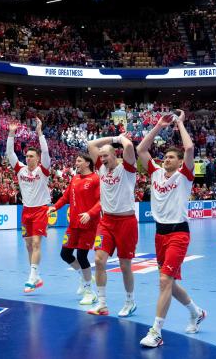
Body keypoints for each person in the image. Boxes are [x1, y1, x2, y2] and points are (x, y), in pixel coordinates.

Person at [136, 111, 207, 347]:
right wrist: (158, 125)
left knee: (165, 281)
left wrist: (179, 123)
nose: (165, 159)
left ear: (178, 162)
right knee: (170, 283)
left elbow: (189, 149)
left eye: (170, 157)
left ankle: (156, 332)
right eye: (164, 156)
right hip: (160, 234)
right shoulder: (156, 172)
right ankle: (196, 312)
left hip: (178, 233)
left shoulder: (184, 176)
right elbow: (141, 151)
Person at [86, 132, 138, 317]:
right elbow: (91, 143)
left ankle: (130, 301)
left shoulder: (127, 168)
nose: (102, 159)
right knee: (99, 260)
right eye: (101, 157)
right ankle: (102, 304)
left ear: (115, 156)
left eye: (106, 155)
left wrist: (119, 141)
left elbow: (130, 147)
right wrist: (114, 138)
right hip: (106, 221)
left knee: (125, 265)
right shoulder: (100, 168)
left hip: (126, 222)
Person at [47, 153, 101, 305]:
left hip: (88, 224)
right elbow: (65, 197)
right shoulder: (75, 179)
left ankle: (90, 292)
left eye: (79, 161)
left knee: (82, 256)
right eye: (76, 160)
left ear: (88, 163)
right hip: (74, 224)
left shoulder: (96, 179)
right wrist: (54, 208)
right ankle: (84, 276)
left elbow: (101, 201)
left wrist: (90, 214)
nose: (76, 163)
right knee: (65, 254)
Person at [6, 118, 51, 293]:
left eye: (31, 156)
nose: (28, 158)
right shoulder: (20, 169)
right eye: (27, 156)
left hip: (40, 209)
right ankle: (36, 275)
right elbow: (10, 153)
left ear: (38, 158)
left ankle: (32, 276)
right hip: (26, 210)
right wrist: (11, 134)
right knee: (28, 245)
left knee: (36, 242)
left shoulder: (43, 170)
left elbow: (46, 151)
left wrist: (40, 133)